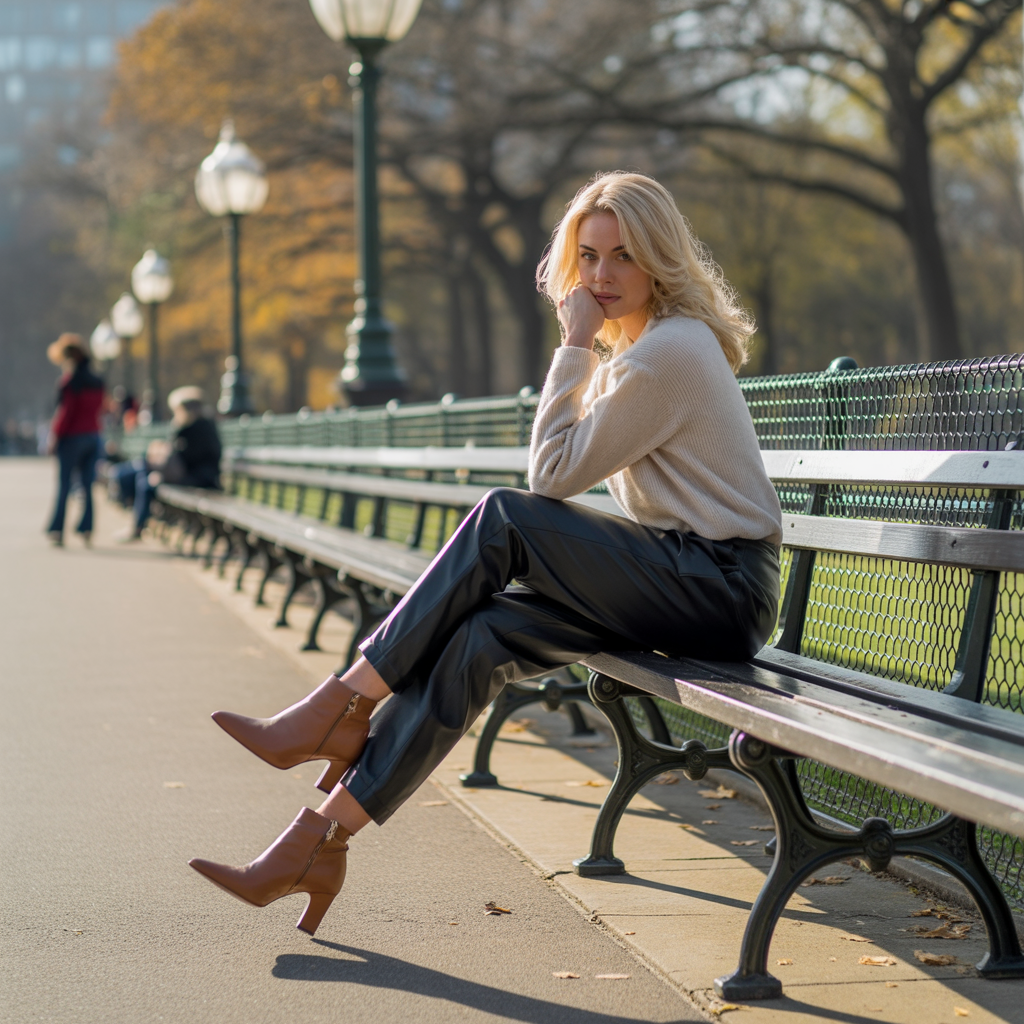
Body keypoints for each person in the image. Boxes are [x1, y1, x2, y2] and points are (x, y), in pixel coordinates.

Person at [189, 172, 784, 936]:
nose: (601, 275)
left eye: (623, 257)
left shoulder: (667, 352)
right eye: (589, 256)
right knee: (483, 636)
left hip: (719, 586)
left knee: (507, 518)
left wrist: (573, 345)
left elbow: (551, 477)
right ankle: (318, 844)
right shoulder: (645, 349)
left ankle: (342, 704)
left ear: (659, 260)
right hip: (688, 578)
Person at [113, 386, 222, 541]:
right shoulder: (194, 426)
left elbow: (188, 457)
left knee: (146, 482)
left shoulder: (199, 428)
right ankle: (136, 522)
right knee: (144, 476)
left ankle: (136, 525)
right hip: (189, 474)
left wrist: (165, 454)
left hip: (199, 479)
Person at [45, 334, 105, 547]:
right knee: (87, 485)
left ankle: (57, 529)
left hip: (72, 438)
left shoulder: (69, 382)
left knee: (65, 484)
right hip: (94, 436)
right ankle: (87, 528)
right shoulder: (98, 381)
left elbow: (65, 413)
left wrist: (54, 437)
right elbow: (101, 409)